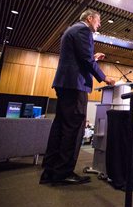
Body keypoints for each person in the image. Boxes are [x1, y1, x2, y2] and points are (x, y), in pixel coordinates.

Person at [40, 10, 115, 185]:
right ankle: (64, 172)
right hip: (75, 85)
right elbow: (86, 61)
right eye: (98, 21)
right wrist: (105, 78)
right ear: (89, 19)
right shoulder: (84, 31)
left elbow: (81, 57)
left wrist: (93, 57)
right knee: (73, 129)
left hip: (66, 84)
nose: (99, 24)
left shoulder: (71, 30)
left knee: (60, 127)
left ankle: (50, 170)